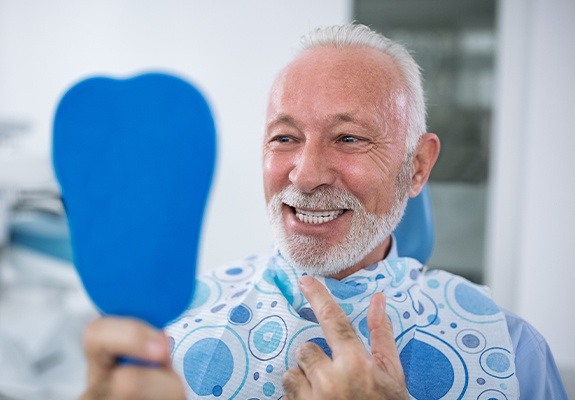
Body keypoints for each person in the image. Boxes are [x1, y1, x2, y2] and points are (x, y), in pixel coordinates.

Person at [80, 24, 568, 400]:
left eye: (349, 138)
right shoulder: (168, 332)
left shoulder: (510, 353)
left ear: (417, 166)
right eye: (285, 138)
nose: (305, 174)